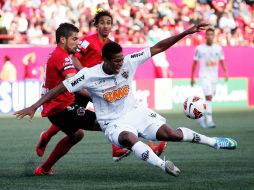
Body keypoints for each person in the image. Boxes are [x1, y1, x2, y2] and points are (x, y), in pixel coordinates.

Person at [15, 23, 237, 177]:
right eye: (116, 62)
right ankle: (163, 165)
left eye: (122, 60)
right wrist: (35, 106)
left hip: (136, 112)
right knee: (129, 138)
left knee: (172, 134)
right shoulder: (89, 75)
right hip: (112, 122)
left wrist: (186, 33)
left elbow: (158, 47)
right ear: (105, 60)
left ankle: (214, 141)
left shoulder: (129, 61)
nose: (121, 64)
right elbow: (61, 87)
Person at [36, 10, 167, 162]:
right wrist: (84, 73)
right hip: (82, 87)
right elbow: (75, 59)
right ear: (96, 25)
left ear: (112, 26)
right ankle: (46, 136)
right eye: (102, 23)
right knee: (75, 119)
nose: (105, 26)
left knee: (113, 116)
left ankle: (121, 148)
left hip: (98, 88)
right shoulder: (87, 41)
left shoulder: (111, 45)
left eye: (109, 23)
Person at [191, 27, 228, 128]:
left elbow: (221, 61)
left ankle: (200, 118)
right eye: (208, 34)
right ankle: (209, 120)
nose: (210, 36)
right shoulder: (199, 48)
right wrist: (192, 77)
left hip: (214, 77)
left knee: (210, 97)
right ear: (205, 36)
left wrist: (225, 72)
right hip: (204, 76)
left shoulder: (218, 48)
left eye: (212, 35)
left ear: (214, 36)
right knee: (208, 96)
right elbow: (194, 63)